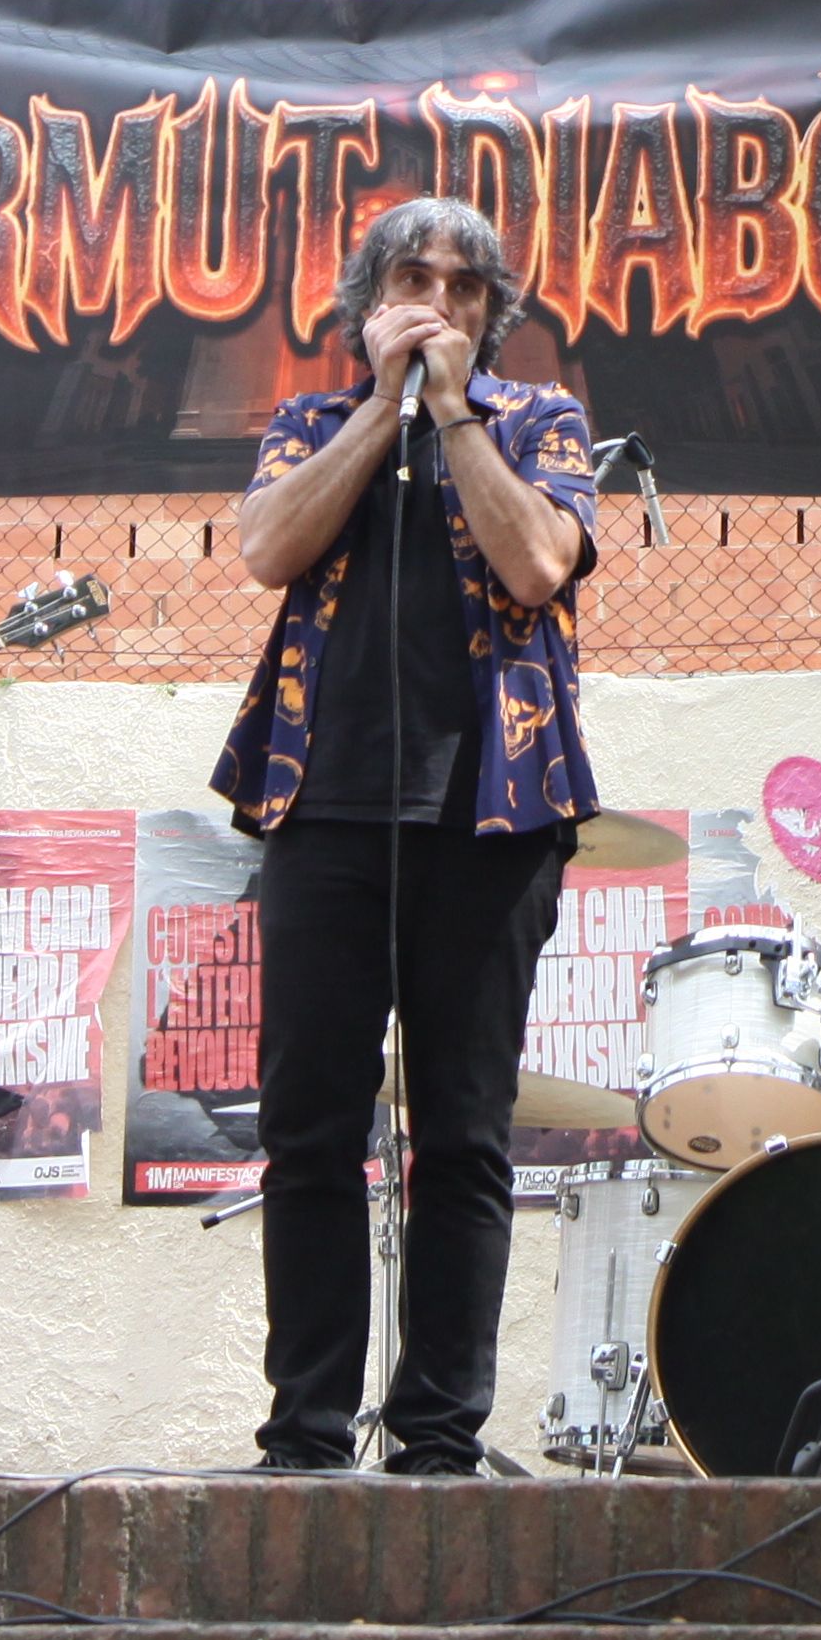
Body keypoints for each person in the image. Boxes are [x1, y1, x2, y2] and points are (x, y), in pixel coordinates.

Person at [215, 195, 604, 1474]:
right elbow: (267, 548)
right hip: (323, 809)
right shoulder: (312, 423)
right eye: (413, 280)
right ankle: (306, 1432)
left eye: (465, 286)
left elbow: (538, 565)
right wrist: (384, 405)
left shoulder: (538, 421)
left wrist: (451, 413)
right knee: (309, 1129)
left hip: (492, 817)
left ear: (494, 315)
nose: (439, 302)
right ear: (367, 303)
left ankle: (438, 1434)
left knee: (463, 1135)